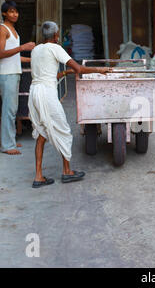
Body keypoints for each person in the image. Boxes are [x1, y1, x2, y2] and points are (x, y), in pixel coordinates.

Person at [29, 21, 112, 188]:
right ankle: (67, 172)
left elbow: (48, 73)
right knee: (65, 132)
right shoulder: (56, 48)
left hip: (34, 93)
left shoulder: (36, 50)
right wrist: (99, 70)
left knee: (41, 133)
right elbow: (79, 69)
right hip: (47, 94)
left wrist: (65, 72)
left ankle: (38, 176)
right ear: (56, 36)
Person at [0, 1, 36, 155]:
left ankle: (7, 140)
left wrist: (32, 59)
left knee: (11, 109)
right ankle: (7, 145)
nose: (15, 14)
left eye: (16, 12)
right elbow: (0, 53)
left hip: (13, 72)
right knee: (9, 110)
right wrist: (23, 47)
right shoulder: (2, 29)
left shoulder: (13, 30)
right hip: (6, 73)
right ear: (4, 13)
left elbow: (15, 57)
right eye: (11, 11)